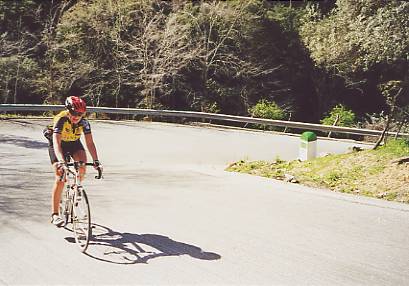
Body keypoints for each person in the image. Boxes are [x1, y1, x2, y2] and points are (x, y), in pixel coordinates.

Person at [43, 96, 102, 227]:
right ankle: (55, 214)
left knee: (82, 166)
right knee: (60, 177)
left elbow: (90, 143)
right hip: (58, 145)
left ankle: (76, 190)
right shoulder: (61, 119)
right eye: (74, 113)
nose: (77, 116)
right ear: (68, 110)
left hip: (74, 143)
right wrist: (62, 162)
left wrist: (96, 161)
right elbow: (57, 143)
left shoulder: (85, 123)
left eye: (80, 114)